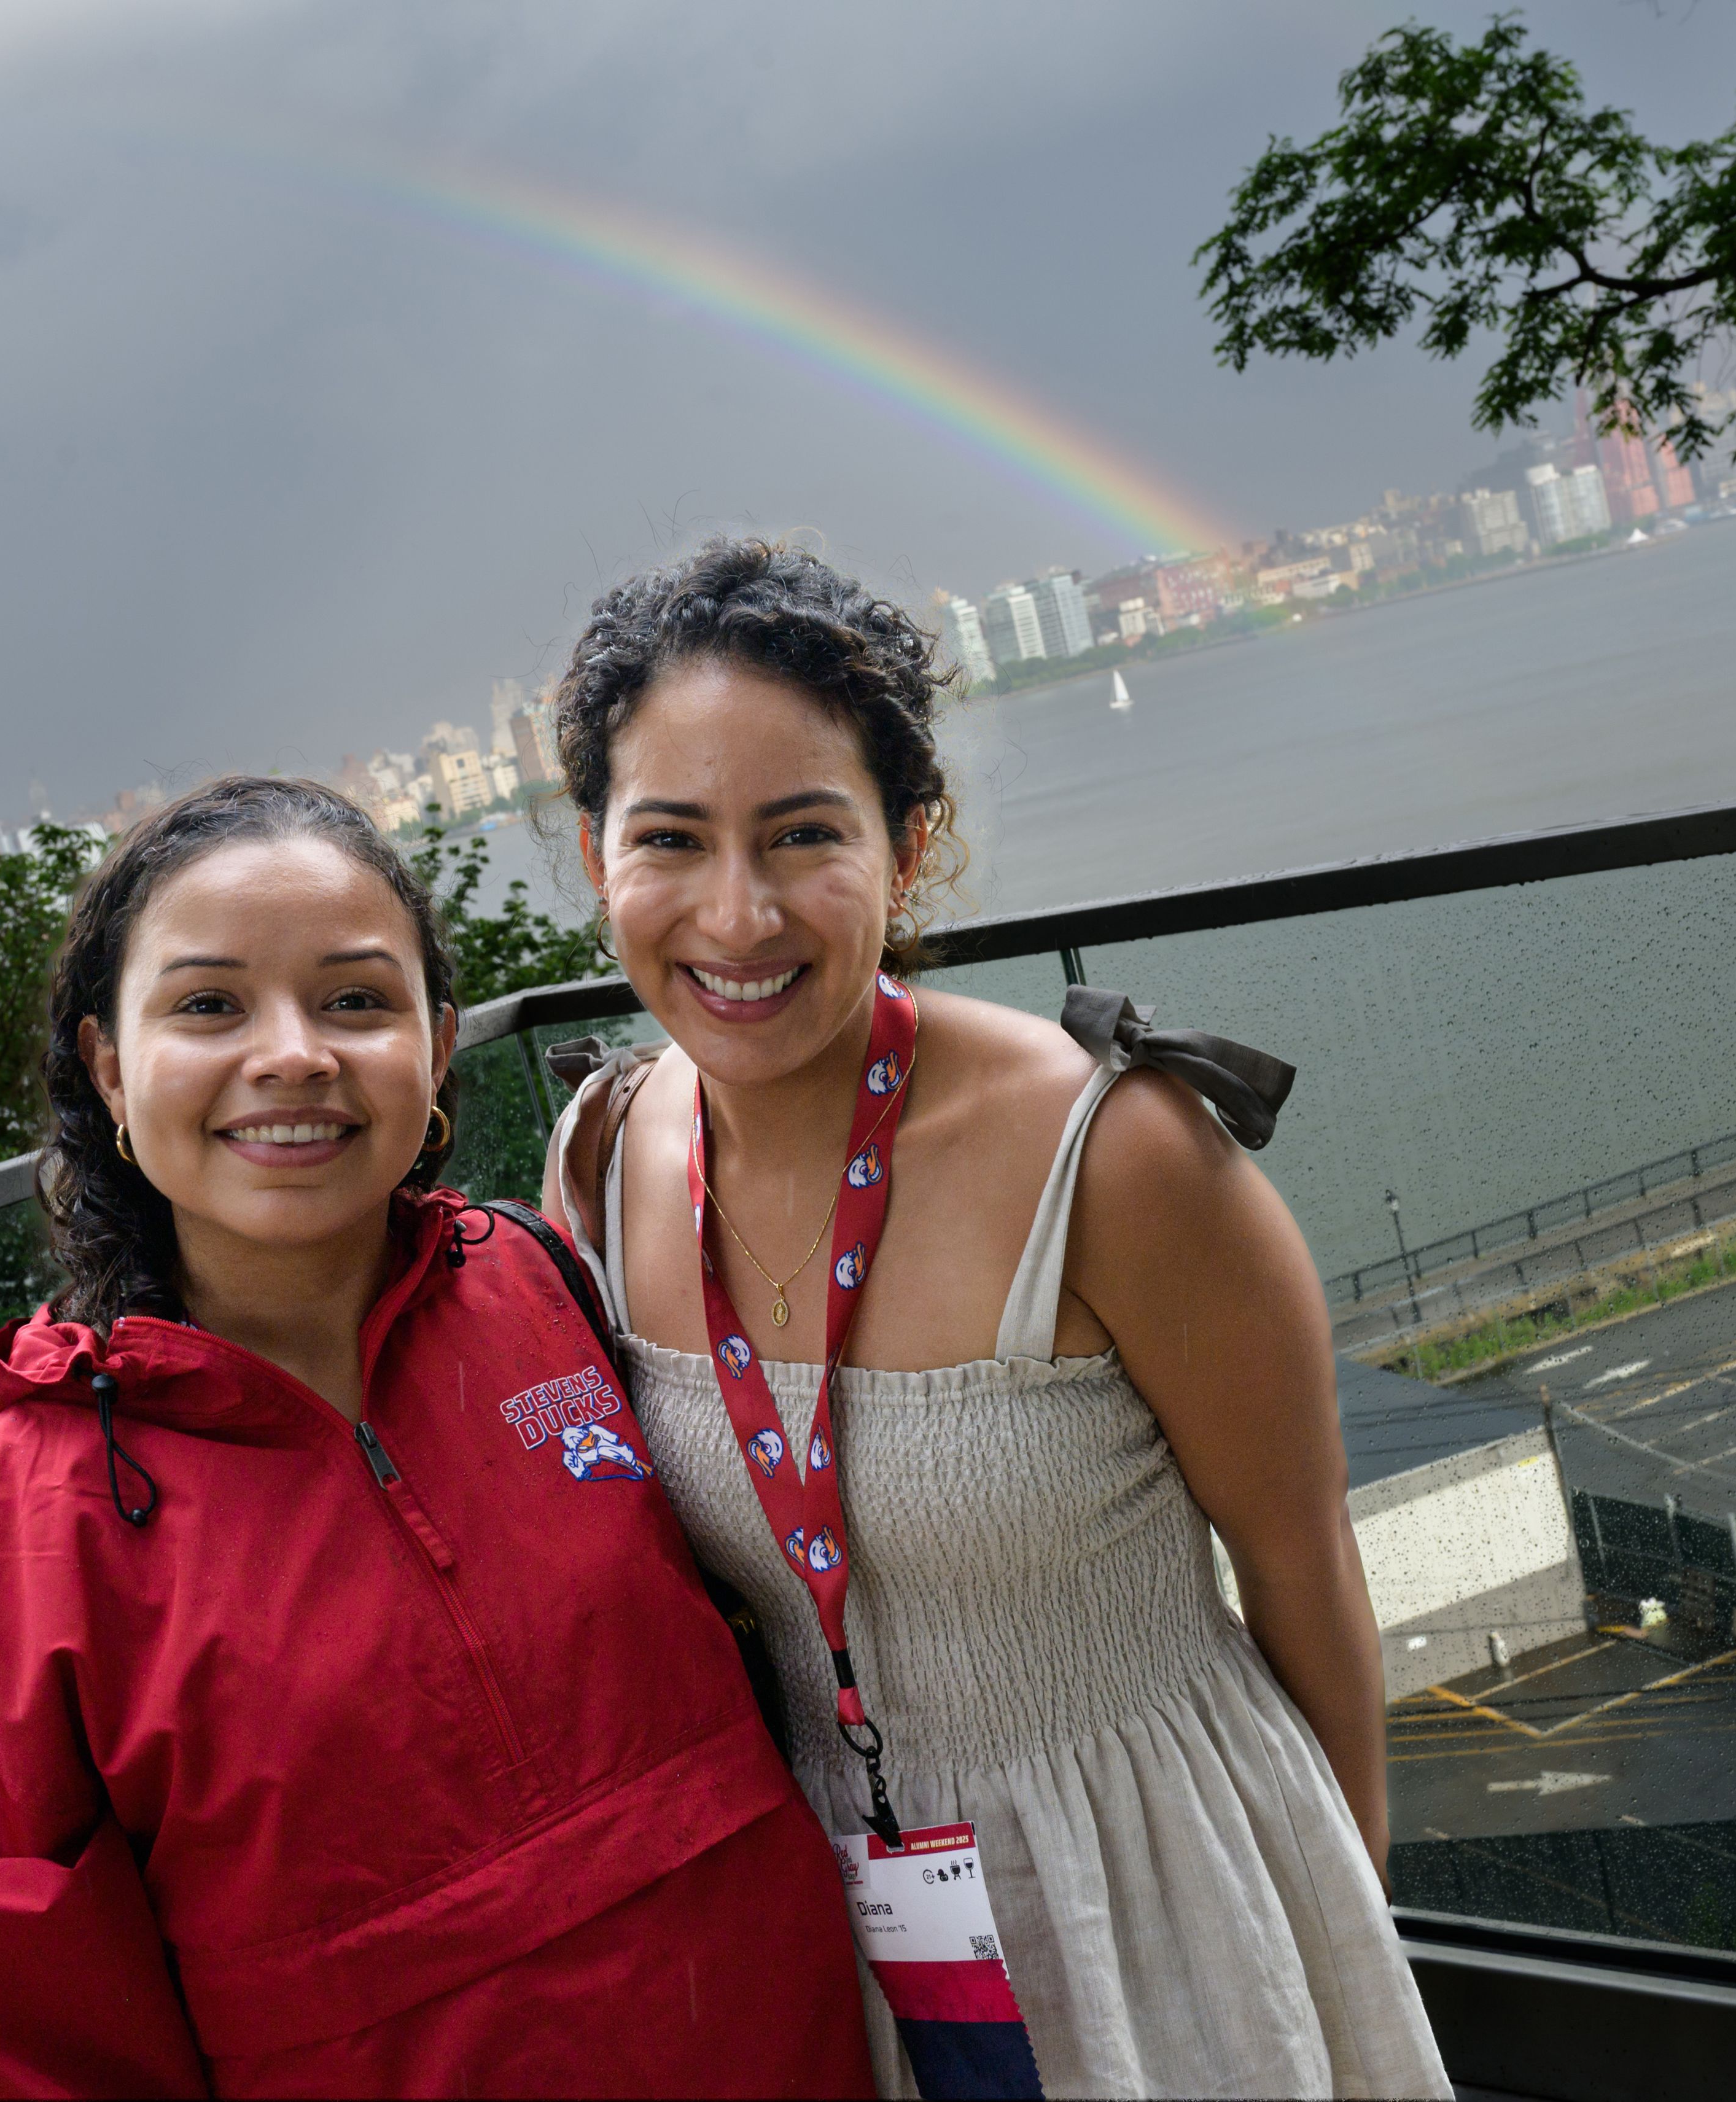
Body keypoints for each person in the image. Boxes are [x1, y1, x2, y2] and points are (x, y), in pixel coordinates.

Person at [0, 776, 874, 2099]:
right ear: (110, 1068)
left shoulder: (547, 1287)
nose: (292, 1052)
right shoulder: (12, 1528)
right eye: (207, 1005)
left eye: (356, 998)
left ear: (436, 1044)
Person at [541, 542, 1452, 2100]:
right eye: (671, 839)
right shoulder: (600, 1157)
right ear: (593, 854)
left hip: (1175, 1899)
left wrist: (1333, 1936)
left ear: (910, 843)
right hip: (830, 1943)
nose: (736, 911)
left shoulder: (1119, 1153)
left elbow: (1302, 1569)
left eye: (802, 832)